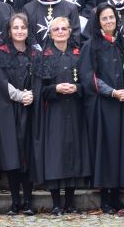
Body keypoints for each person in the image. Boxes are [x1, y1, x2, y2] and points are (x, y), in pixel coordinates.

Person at [81, 4, 124, 213]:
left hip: (123, 104)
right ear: (98, 22)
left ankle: (116, 197)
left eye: (111, 18)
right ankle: (105, 198)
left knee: (121, 150)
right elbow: (89, 77)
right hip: (102, 106)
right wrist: (112, 92)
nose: (108, 22)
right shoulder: (91, 46)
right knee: (105, 150)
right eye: (104, 19)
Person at [31, 17, 92, 215]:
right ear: (50, 33)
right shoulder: (44, 57)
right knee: (55, 155)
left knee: (73, 153)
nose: (60, 32)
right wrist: (56, 88)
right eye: (56, 29)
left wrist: (77, 88)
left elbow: (88, 85)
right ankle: (56, 203)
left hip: (75, 111)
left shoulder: (78, 54)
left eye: (63, 28)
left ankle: (71, 203)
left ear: (69, 31)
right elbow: (39, 91)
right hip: (54, 113)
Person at [0, 13, 36, 216]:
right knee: (12, 154)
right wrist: (19, 96)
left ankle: (28, 200)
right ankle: (14, 200)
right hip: (9, 108)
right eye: (15, 28)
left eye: (23, 28)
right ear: (9, 31)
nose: (19, 31)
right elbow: (0, 82)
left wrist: (32, 94)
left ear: (28, 30)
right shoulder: (0, 53)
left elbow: (40, 79)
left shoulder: (35, 54)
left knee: (27, 154)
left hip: (30, 108)